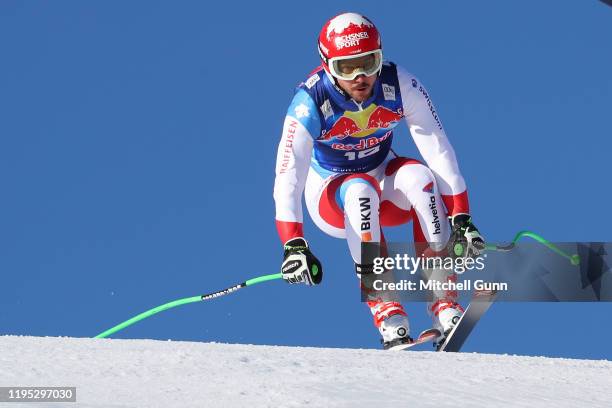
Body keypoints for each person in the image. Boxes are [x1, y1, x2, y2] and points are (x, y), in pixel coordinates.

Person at [274, 12, 485, 350]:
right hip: (332, 195)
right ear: (328, 65)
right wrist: (293, 245)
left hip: (384, 181)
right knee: (359, 191)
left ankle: (444, 302)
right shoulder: (310, 102)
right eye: (347, 68)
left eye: (369, 63)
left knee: (419, 176)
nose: (360, 77)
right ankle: (387, 311)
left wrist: (461, 217)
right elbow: (288, 176)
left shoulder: (399, 84)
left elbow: (438, 148)